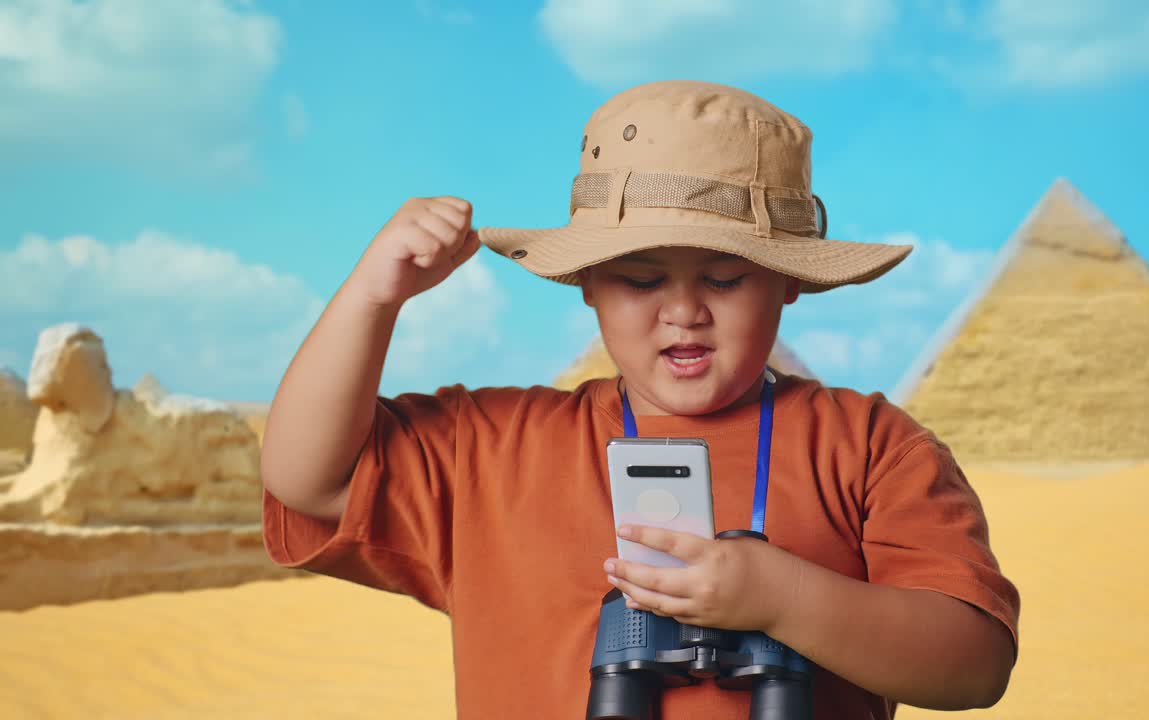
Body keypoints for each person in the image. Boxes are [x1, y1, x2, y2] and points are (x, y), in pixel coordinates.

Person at [259, 80, 1019, 720]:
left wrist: (782, 600)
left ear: (790, 279)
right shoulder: (490, 446)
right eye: (642, 278)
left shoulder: (872, 446)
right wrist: (371, 298)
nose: (684, 310)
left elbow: (973, 665)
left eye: (725, 278)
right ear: (586, 283)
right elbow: (307, 479)